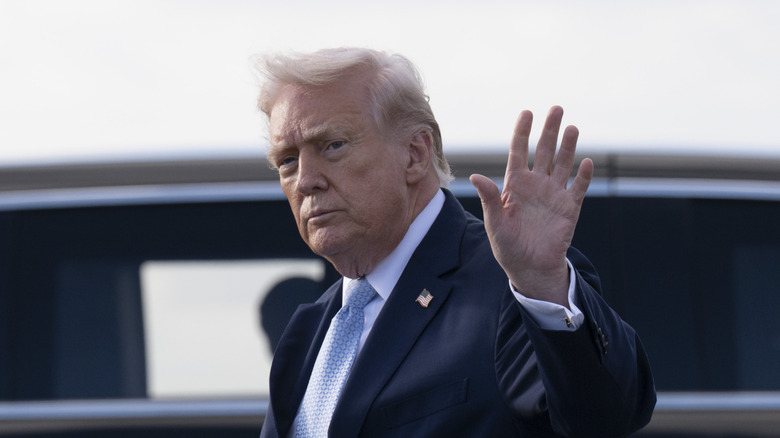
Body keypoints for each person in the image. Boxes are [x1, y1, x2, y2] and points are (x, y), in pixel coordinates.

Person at [254, 47, 655, 437]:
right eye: (287, 160)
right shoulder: (306, 331)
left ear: (415, 154)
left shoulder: (514, 286)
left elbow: (604, 418)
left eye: (333, 146)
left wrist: (543, 284)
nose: (305, 180)